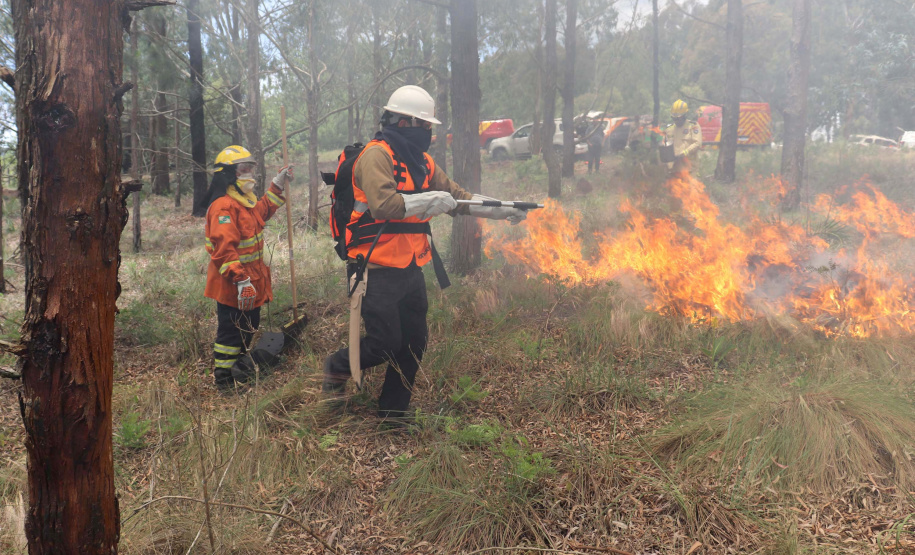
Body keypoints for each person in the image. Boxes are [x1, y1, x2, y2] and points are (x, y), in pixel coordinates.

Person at [322, 85, 528, 422]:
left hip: (411, 268)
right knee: (386, 342)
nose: (429, 133)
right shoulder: (376, 155)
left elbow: (457, 197)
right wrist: (429, 200)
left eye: (430, 127)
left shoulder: (423, 162)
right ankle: (336, 367)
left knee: (414, 343)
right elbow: (384, 205)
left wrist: (501, 209)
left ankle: (392, 414)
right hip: (374, 268)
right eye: (424, 126)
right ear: (403, 123)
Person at [203, 145, 292, 390]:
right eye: (244, 169)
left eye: (251, 168)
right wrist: (241, 280)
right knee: (231, 334)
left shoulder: (242, 202)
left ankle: (238, 371)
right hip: (233, 283)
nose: (249, 173)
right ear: (229, 173)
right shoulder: (223, 206)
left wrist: (277, 184)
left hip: (251, 280)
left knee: (248, 328)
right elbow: (223, 249)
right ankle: (224, 381)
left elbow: (262, 211)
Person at [663, 99, 703, 172]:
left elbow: (697, 143)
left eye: (678, 118)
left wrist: (685, 153)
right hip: (673, 169)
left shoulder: (693, 126)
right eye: (674, 118)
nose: (676, 121)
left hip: (689, 168)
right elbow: (664, 146)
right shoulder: (669, 129)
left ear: (684, 116)